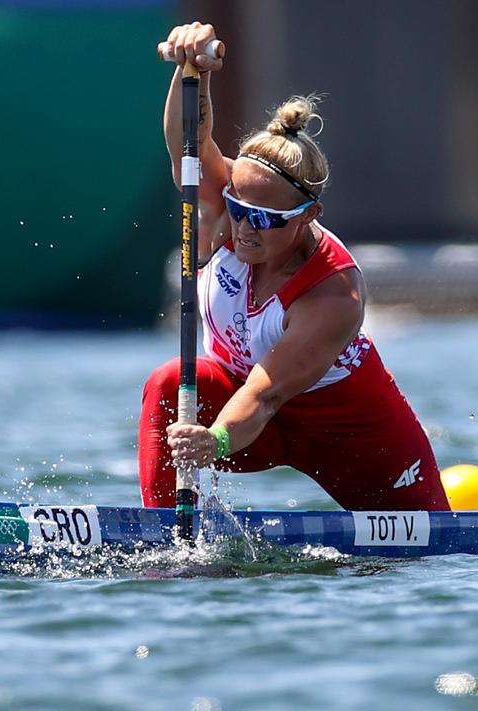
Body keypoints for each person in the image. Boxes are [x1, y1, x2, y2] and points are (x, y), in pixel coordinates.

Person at [139, 22, 450, 512]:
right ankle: (166, 536)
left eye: (265, 219)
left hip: (348, 432)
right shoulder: (226, 215)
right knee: (168, 381)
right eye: (238, 209)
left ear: (308, 216)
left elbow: (264, 396)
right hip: (246, 418)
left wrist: (214, 442)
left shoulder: (334, 294)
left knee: (425, 545)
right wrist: (191, 69)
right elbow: (188, 146)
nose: (244, 228)